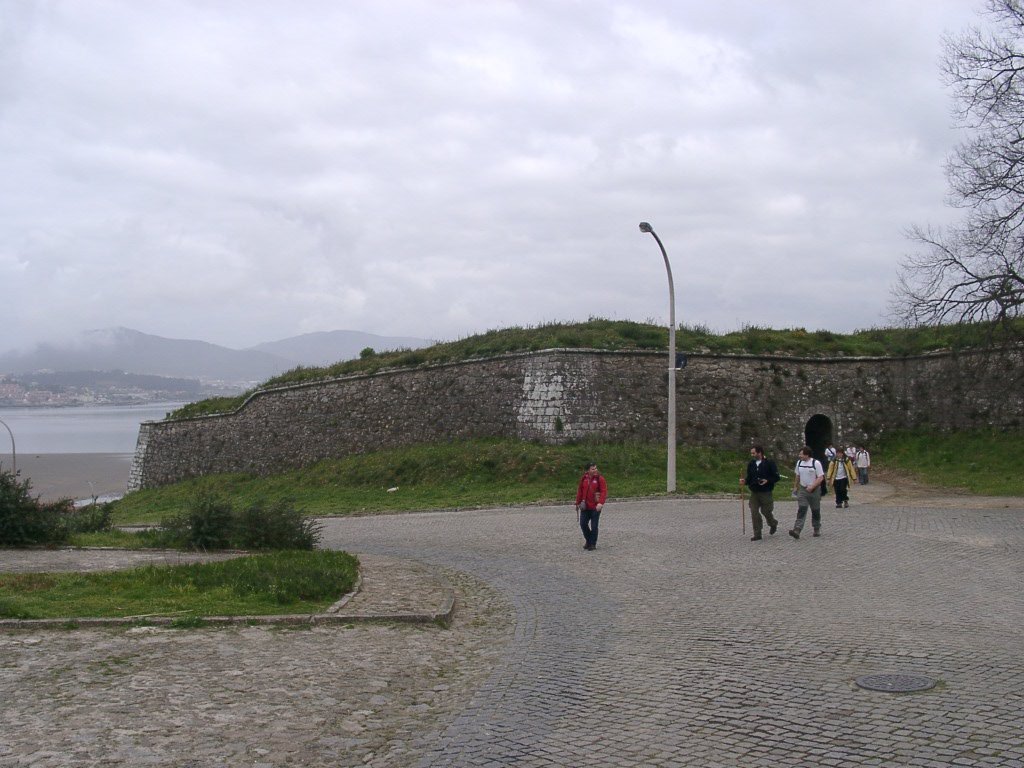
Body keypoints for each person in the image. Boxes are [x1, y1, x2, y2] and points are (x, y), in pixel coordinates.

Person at [740, 445, 780, 541]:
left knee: (766, 511)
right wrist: (744, 481)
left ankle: (773, 523)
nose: (752, 455)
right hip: (754, 492)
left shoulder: (769, 463)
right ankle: (757, 533)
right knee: (754, 512)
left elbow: (776, 477)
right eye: (751, 453)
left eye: (754, 453)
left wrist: (767, 480)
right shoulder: (751, 464)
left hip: (766, 491)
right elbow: (749, 477)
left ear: (760, 453)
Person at [789, 446, 825, 540]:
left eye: (801, 454)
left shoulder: (816, 463)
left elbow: (820, 477)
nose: (799, 456)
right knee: (802, 509)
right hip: (803, 489)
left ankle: (816, 527)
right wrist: (795, 487)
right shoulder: (799, 463)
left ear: (807, 455)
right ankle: (797, 529)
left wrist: (812, 486)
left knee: (815, 510)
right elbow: (797, 475)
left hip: (814, 490)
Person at [575, 462, 607, 551]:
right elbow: (580, 491)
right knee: (583, 524)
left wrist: (601, 503)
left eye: (595, 468)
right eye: (593, 469)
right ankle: (589, 540)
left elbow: (603, 491)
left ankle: (592, 544)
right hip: (585, 506)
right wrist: (577, 502)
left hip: (595, 507)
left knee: (594, 526)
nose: (595, 470)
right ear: (588, 470)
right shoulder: (584, 479)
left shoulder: (600, 479)